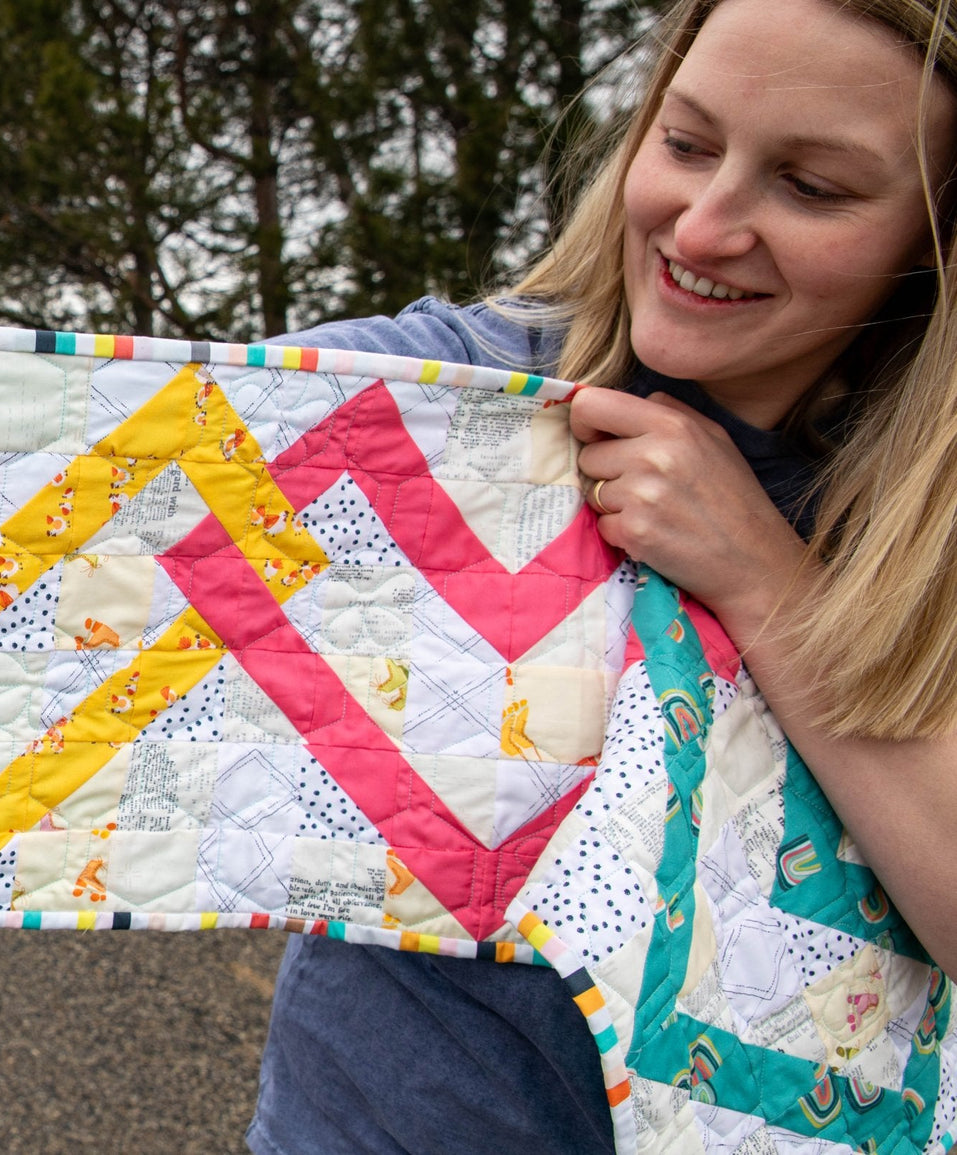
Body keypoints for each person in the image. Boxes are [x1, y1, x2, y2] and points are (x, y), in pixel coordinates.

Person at [246, 0, 957, 1149]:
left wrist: (771, 588)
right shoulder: (464, 387)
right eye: (682, 143)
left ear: (932, 229)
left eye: (809, 186)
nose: (704, 223)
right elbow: (149, 457)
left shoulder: (921, 529)